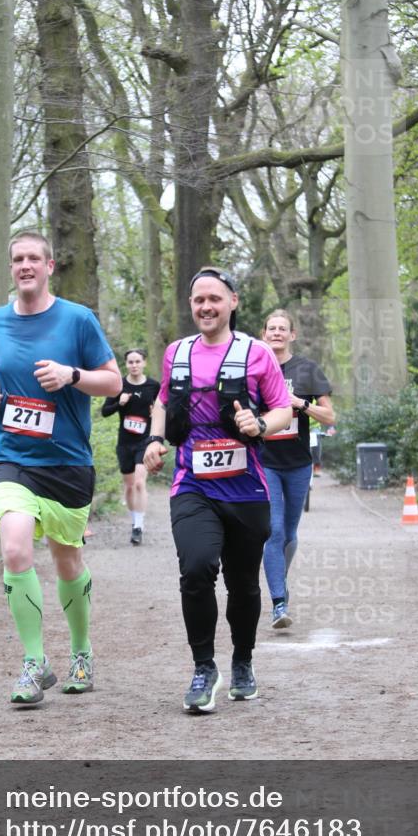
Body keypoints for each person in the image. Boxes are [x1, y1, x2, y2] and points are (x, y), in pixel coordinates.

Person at [0, 230, 122, 705]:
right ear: (11, 267)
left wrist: (71, 375)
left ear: (50, 265)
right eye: (17, 258)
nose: (25, 265)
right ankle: (34, 662)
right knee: (15, 548)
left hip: (66, 463)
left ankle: (81, 651)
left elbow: (114, 383)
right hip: (10, 457)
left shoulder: (77, 320)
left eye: (33, 258)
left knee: (66, 560)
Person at [144, 268, 292, 713]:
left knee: (244, 584)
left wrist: (260, 423)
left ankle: (242, 661)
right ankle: (203, 668)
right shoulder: (177, 353)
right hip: (192, 484)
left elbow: (284, 408)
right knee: (196, 568)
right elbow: (165, 401)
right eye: (197, 300)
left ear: (233, 302)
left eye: (214, 298)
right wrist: (154, 439)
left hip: (246, 490)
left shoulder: (257, 354)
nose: (205, 307)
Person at [260, 309, 335, 630]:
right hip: (265, 461)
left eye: (283, 329)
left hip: (298, 464)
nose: (277, 333)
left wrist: (300, 403)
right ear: (264, 334)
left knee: (289, 534)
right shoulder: (254, 367)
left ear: (292, 335)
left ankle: (280, 580)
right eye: (271, 328)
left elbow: (330, 417)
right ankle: (279, 602)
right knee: (273, 531)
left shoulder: (307, 370)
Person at [100, 349, 160, 545]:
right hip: (125, 443)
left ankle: (138, 526)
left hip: (145, 441)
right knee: (128, 485)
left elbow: (164, 409)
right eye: (130, 362)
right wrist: (120, 402)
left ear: (144, 363)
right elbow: (105, 412)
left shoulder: (153, 386)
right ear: (126, 364)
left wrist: (156, 413)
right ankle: (134, 519)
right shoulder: (119, 385)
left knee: (139, 483)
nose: (134, 365)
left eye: (137, 361)